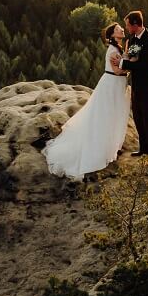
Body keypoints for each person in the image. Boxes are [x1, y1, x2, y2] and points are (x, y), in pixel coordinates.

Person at [43, 22, 132, 180]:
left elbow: (122, 66)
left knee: (111, 116)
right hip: (111, 85)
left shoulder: (118, 47)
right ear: (112, 34)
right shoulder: (112, 51)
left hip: (116, 85)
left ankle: (106, 147)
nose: (122, 30)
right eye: (119, 29)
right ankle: (97, 150)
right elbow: (118, 71)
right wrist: (134, 66)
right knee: (105, 117)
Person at [119, 10, 148, 163]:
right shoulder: (134, 39)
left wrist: (122, 63)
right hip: (136, 86)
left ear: (136, 24)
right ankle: (144, 148)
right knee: (138, 118)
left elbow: (144, 65)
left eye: (128, 25)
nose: (127, 28)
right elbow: (132, 58)